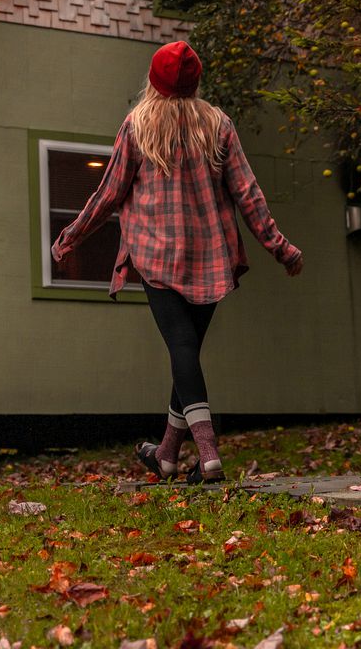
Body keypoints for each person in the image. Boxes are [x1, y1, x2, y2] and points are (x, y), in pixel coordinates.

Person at [51, 41, 303, 483]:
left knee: (182, 351)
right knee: (185, 353)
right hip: (211, 256)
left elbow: (108, 193)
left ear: (153, 80)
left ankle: (208, 456)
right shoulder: (217, 124)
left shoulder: (138, 126)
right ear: (195, 81)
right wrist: (280, 247)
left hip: (156, 255)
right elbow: (248, 193)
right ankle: (167, 455)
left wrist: (71, 236)